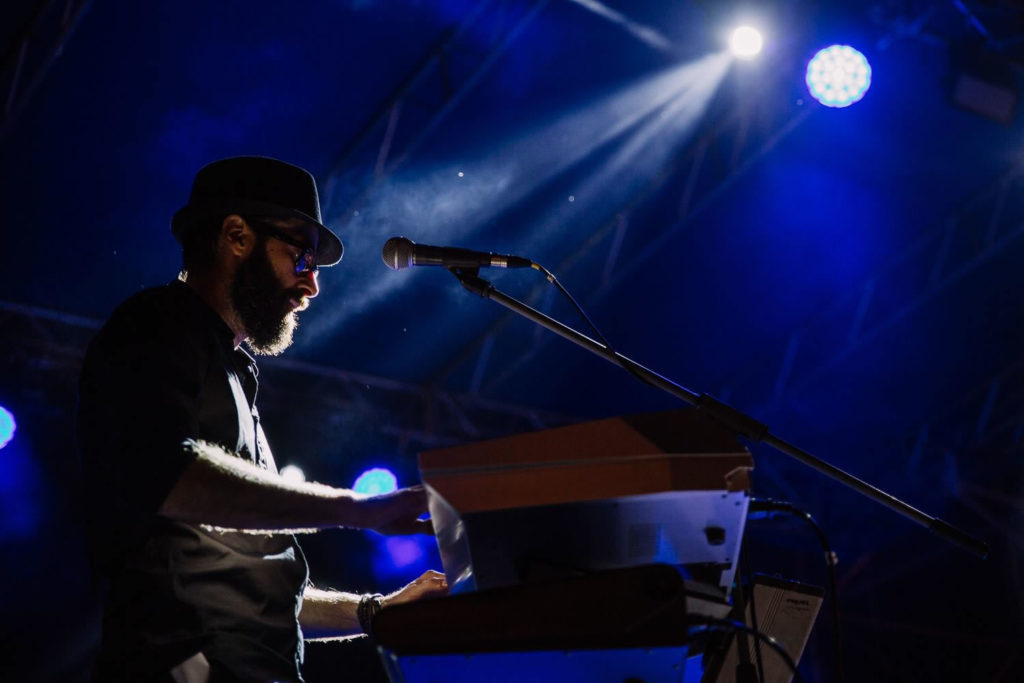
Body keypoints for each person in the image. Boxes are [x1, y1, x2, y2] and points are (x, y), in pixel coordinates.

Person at [77, 156, 447, 682]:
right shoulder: (155, 324)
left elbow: (258, 590)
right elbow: (165, 474)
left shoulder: (234, 370)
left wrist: (374, 612)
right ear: (236, 236)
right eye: (302, 257)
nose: (312, 285)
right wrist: (357, 509)